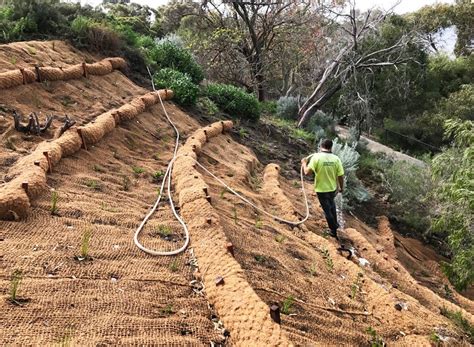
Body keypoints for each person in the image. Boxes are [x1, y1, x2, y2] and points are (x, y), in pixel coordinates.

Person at [301, 139, 344, 240]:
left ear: (321, 146)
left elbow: (307, 172)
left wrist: (304, 163)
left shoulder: (316, 157)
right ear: (331, 147)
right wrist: (341, 187)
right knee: (332, 207)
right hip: (332, 188)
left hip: (321, 189)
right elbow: (341, 176)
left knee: (327, 210)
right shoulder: (336, 159)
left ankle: (333, 229)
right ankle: (335, 228)